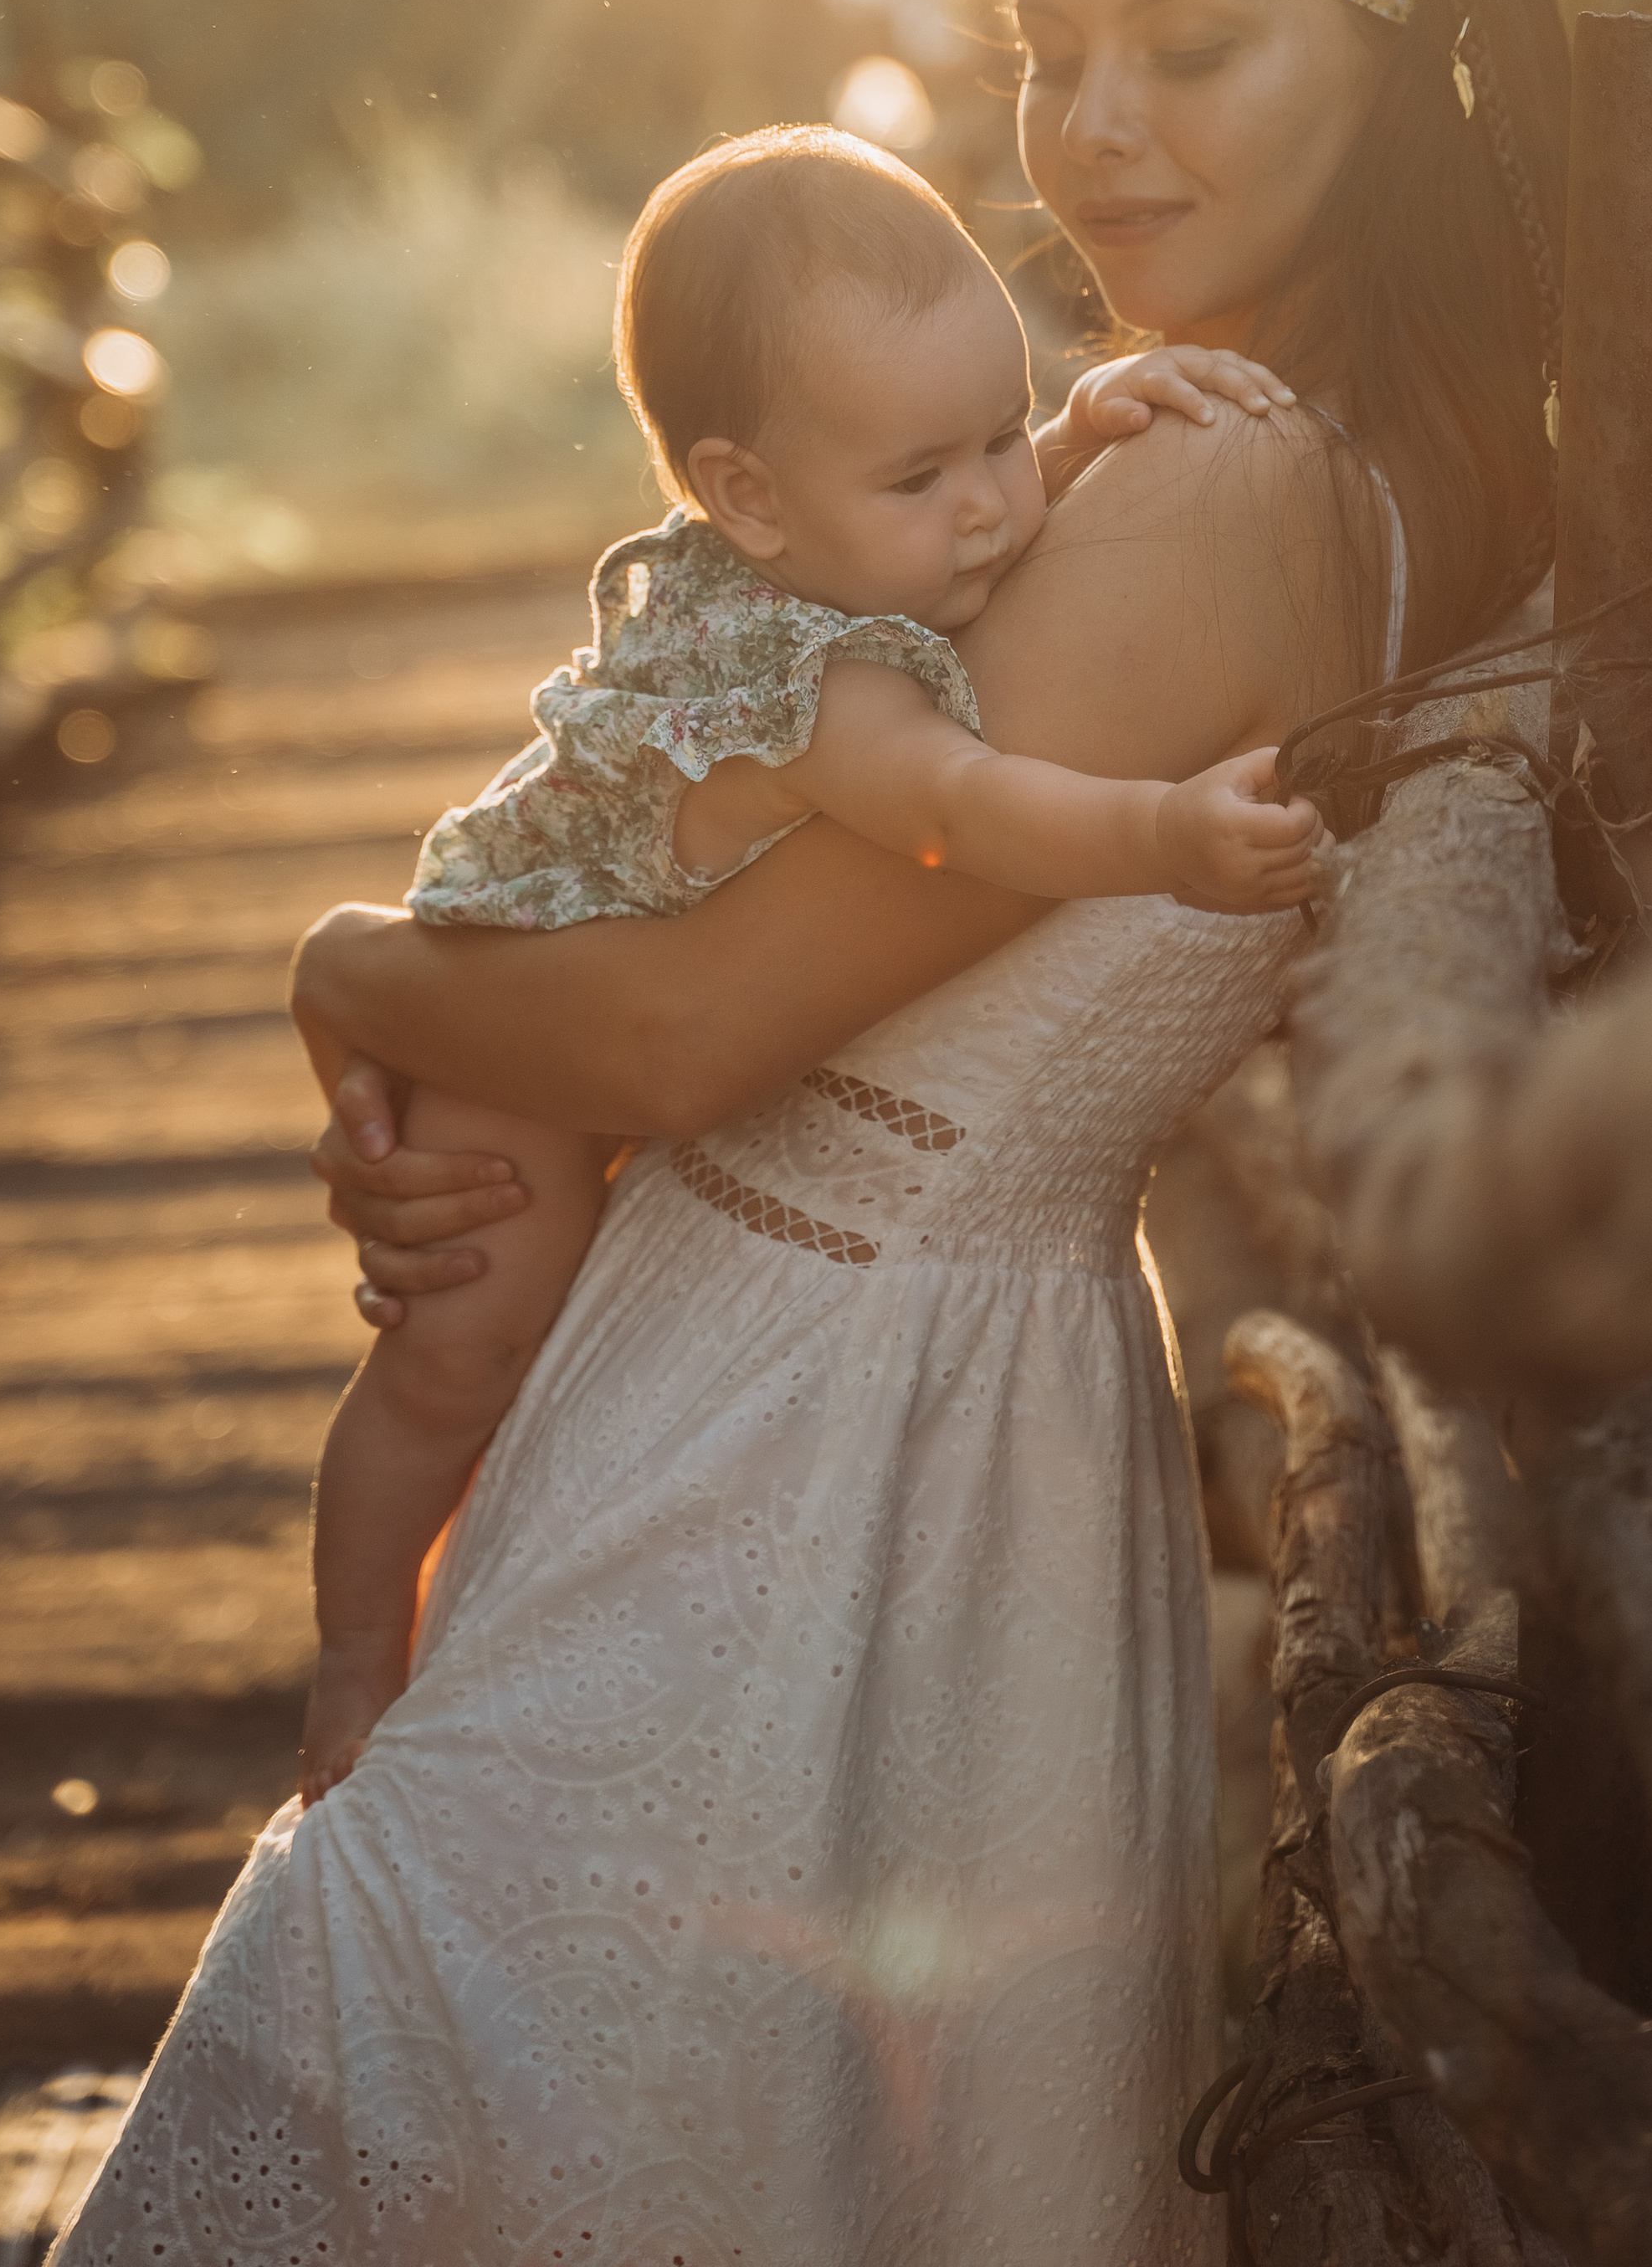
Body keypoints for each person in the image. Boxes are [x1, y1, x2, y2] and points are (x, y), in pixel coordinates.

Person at [53, 0, 1568, 2267]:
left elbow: (683, 1030)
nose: (1093, 132)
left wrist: (358, 967)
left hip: (809, 1443)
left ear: (1403, 67)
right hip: (930, 1418)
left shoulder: (1235, 490)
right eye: (1048, 53)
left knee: (475, 2049)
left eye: (1195, 46)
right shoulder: (1307, 451)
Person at [300, 122, 1324, 1803]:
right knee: (457, 1351)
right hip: (529, 996)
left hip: (618, 961)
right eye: (925, 476)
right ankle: (354, 1650)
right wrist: (1165, 833)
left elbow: (954, 518)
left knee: (519, 1345)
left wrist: (1077, 433)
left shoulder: (851, 540)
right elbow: (961, 806)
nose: (988, 504)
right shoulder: (822, 685)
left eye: (1001, 431)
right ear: (747, 498)